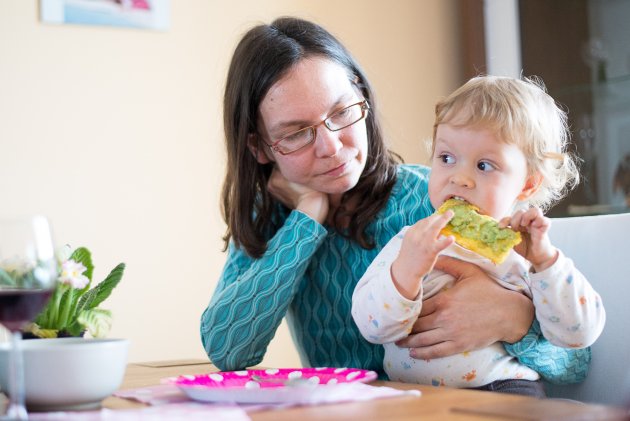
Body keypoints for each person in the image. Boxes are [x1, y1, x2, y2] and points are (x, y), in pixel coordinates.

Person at [200, 16, 591, 386]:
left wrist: (515, 321)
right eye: (297, 133)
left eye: (342, 112)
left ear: (362, 96)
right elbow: (228, 350)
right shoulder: (272, 220)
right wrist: (306, 219)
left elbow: (577, 363)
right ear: (259, 147)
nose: (331, 147)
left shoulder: (442, 201)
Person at [352, 75, 606, 396]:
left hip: (505, 388)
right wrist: (406, 272)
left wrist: (546, 263)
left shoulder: (527, 252)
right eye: (446, 158)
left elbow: (577, 334)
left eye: (484, 165)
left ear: (528, 184)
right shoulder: (411, 241)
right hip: (413, 395)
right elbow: (370, 327)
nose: (460, 178)